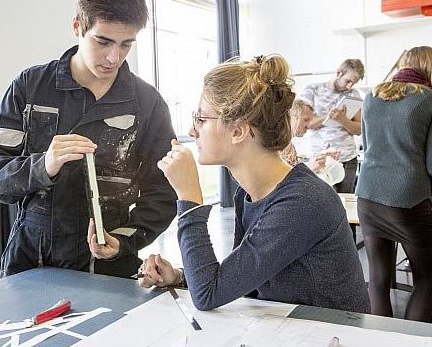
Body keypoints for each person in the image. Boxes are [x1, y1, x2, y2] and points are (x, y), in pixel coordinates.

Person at [0, 0, 177, 279]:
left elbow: (163, 193)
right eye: (103, 41)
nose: (113, 57)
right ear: (77, 26)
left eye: (125, 45)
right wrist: (43, 165)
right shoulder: (31, 87)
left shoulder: (147, 104)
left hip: (110, 267)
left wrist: (123, 240)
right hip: (32, 262)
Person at [138, 54, 370, 313]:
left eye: (201, 119)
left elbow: (208, 295)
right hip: (286, 327)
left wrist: (189, 197)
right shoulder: (247, 194)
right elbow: (242, 281)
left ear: (238, 131)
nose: (193, 132)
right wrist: (182, 277)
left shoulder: (302, 201)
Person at [355, 46, 432, 322]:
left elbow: (366, 146)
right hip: (408, 198)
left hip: (367, 194)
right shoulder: (429, 100)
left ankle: (380, 340)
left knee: (377, 278)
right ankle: (413, 341)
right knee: (427, 279)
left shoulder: (371, 97)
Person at [300, 59, 364, 193]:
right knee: (322, 199)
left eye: (354, 83)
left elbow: (359, 129)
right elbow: (305, 123)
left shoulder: (353, 94)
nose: (349, 86)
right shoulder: (313, 90)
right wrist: (328, 116)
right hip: (321, 159)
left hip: (347, 158)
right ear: (339, 72)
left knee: (346, 201)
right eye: (348, 81)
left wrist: (342, 120)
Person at [282, 100, 340, 173]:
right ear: (291, 117)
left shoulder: (290, 145)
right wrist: (311, 169)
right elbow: (285, 178)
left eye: (310, 121)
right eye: (305, 120)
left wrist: (322, 156)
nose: (309, 125)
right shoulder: (279, 146)